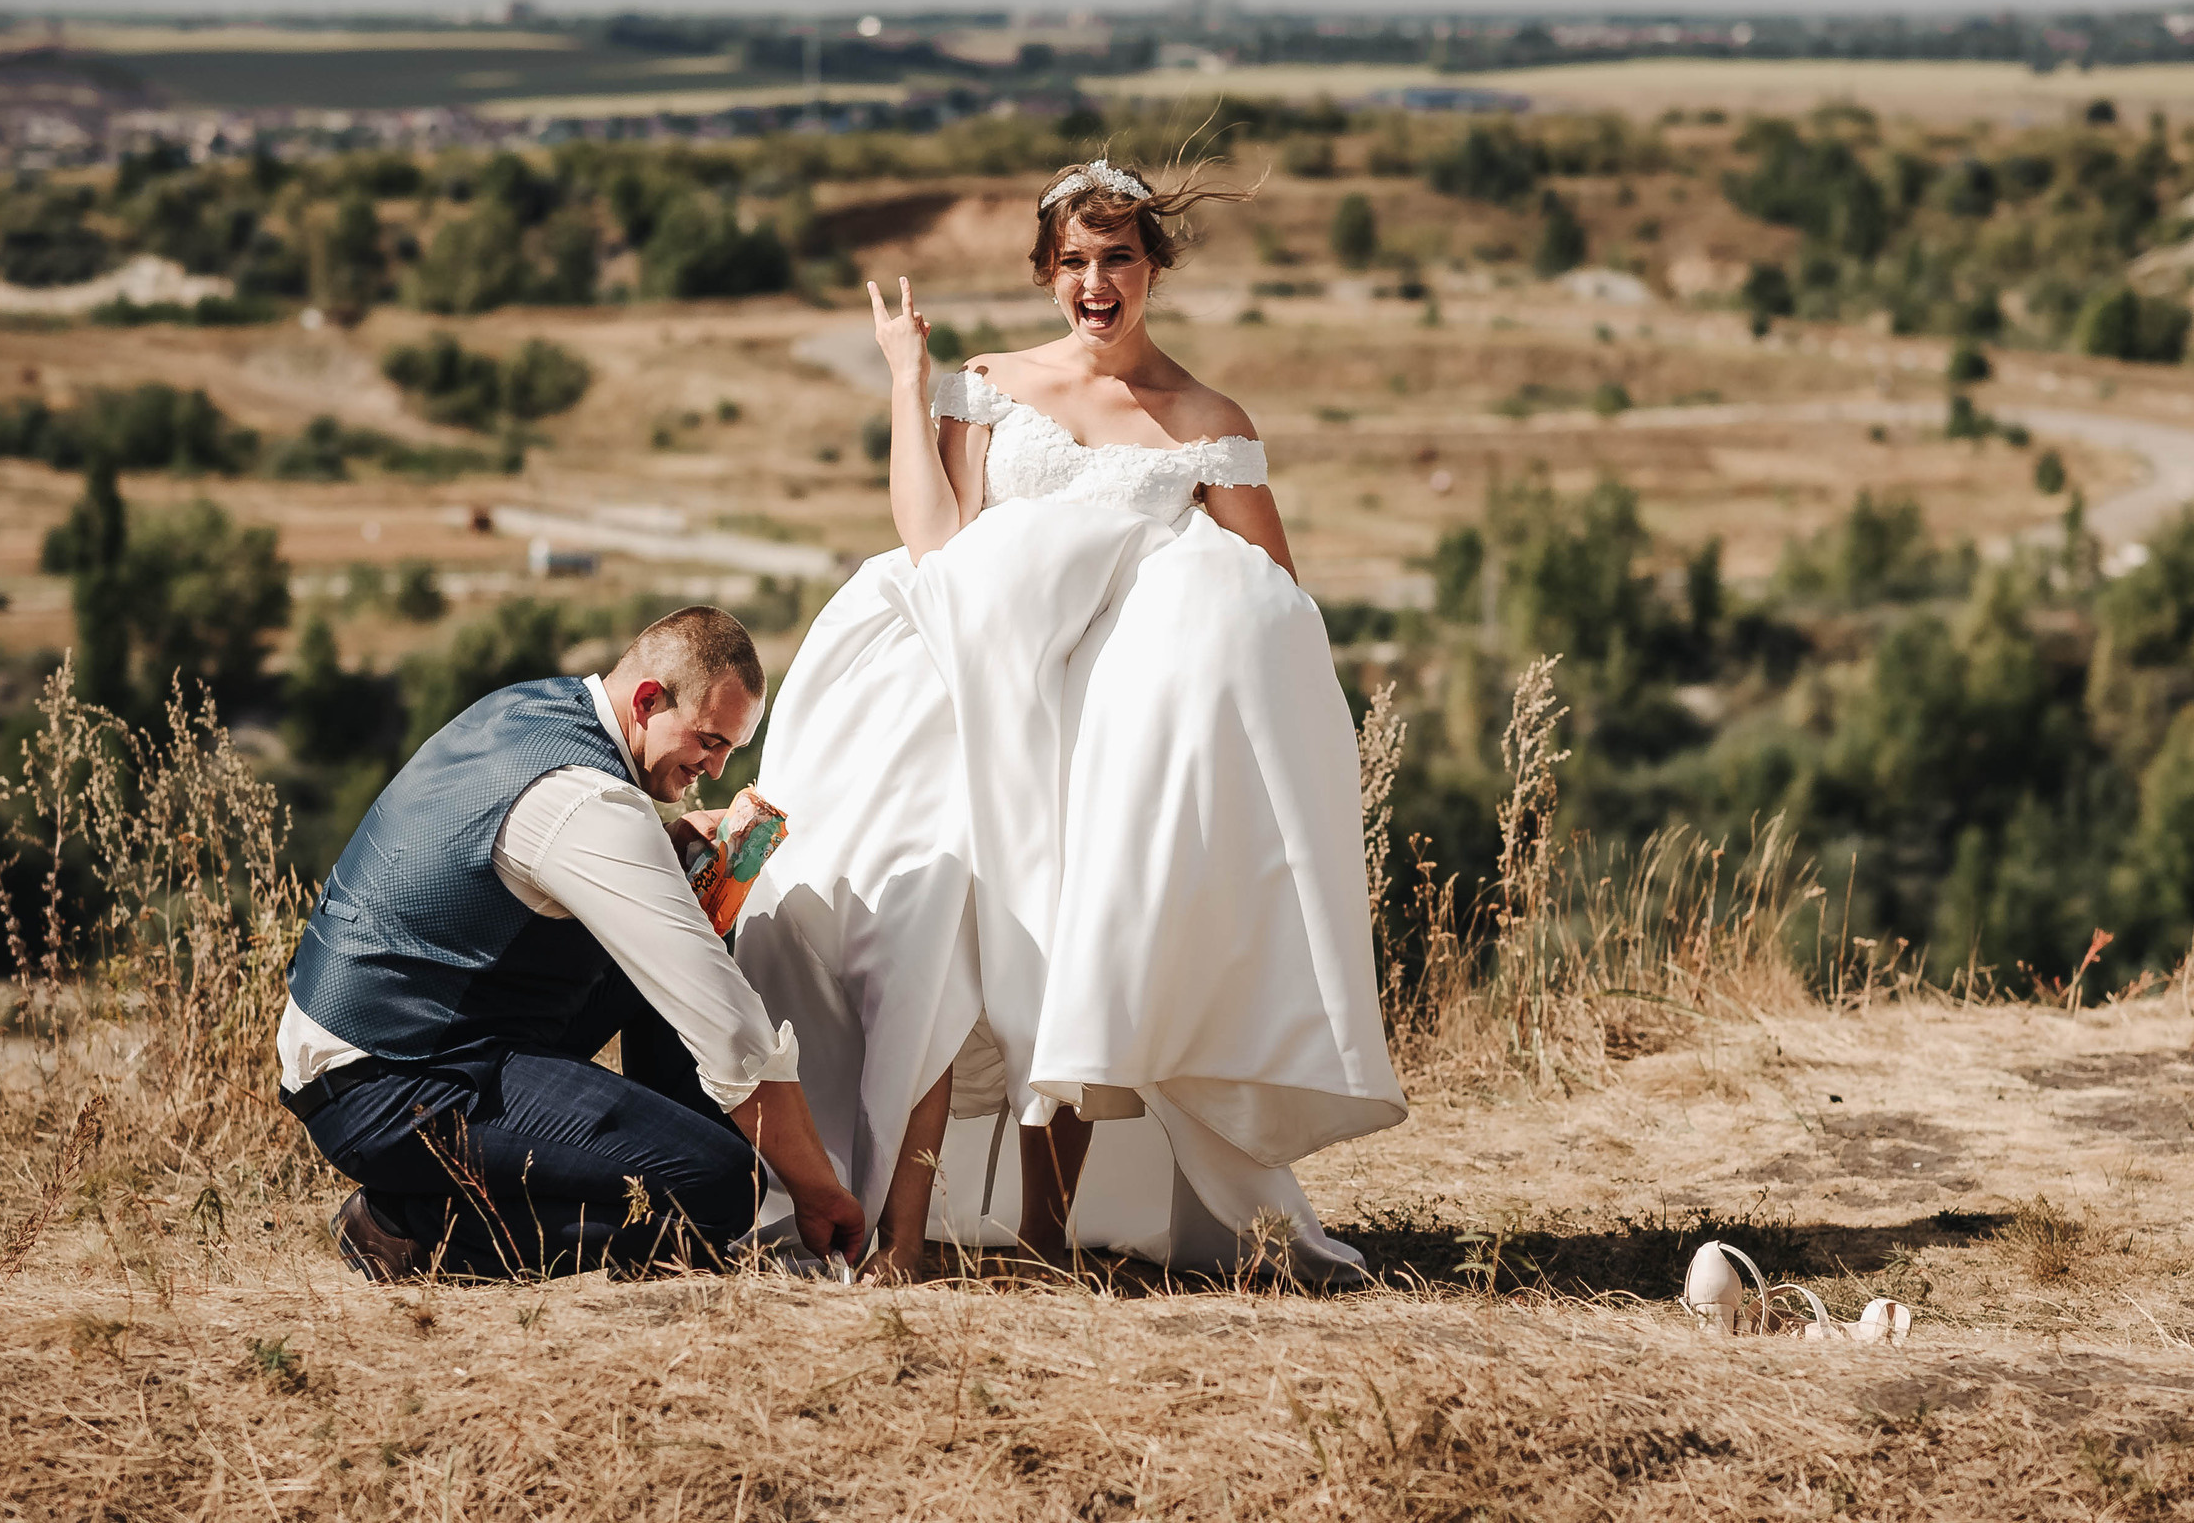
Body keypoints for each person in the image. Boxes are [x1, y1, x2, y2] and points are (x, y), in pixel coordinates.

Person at [735, 158, 1406, 1284]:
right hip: (967, 684)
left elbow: (1272, 602)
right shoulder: (989, 385)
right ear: (1047, 273)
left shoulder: (1208, 422)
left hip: (1103, 727)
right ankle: (898, 1233)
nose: (1097, 282)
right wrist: (908, 378)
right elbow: (931, 538)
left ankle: (1050, 1236)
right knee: (927, 924)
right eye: (1075, 262)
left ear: (1154, 266)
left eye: (1119, 258)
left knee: (1072, 956)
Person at [279, 606, 865, 1281]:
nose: (712, 768)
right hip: (387, 1081)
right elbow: (731, 1031)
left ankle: (676, 1156)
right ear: (649, 700)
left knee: (676, 937)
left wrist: (667, 861)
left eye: (730, 750)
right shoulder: (590, 803)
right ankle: (410, 1226)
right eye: (708, 741)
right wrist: (819, 1190)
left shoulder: (532, 706)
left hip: (399, 1036)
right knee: (725, 1190)